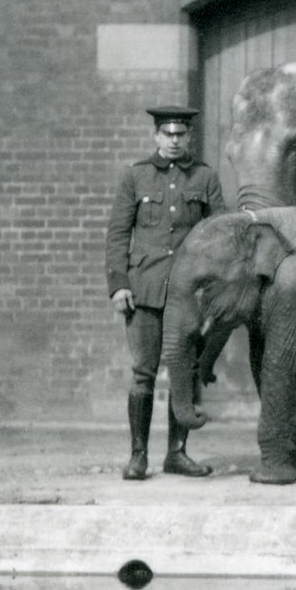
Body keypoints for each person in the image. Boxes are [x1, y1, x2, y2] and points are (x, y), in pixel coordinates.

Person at [106, 105, 225, 480]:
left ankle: (177, 453)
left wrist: (213, 288)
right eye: (167, 135)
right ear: (156, 137)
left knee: (184, 372)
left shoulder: (205, 177)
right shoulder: (135, 176)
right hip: (144, 290)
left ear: (189, 137)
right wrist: (118, 285)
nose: (174, 141)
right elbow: (117, 235)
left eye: (181, 135)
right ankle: (138, 456)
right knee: (143, 373)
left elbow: (220, 233)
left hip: (187, 292)